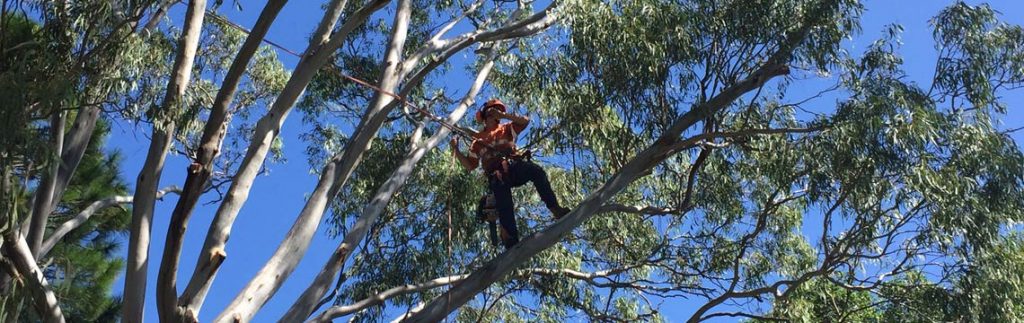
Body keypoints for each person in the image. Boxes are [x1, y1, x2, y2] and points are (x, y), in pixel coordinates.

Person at [450, 99, 571, 248]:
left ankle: (555, 209)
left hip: (513, 167)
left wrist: (504, 115)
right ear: (483, 115)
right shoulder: (477, 141)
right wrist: (456, 149)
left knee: (536, 171)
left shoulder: (506, 128)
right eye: (490, 111)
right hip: (496, 176)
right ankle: (510, 239)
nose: (492, 113)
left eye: (495, 111)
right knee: (504, 202)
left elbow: (525, 121)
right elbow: (470, 166)